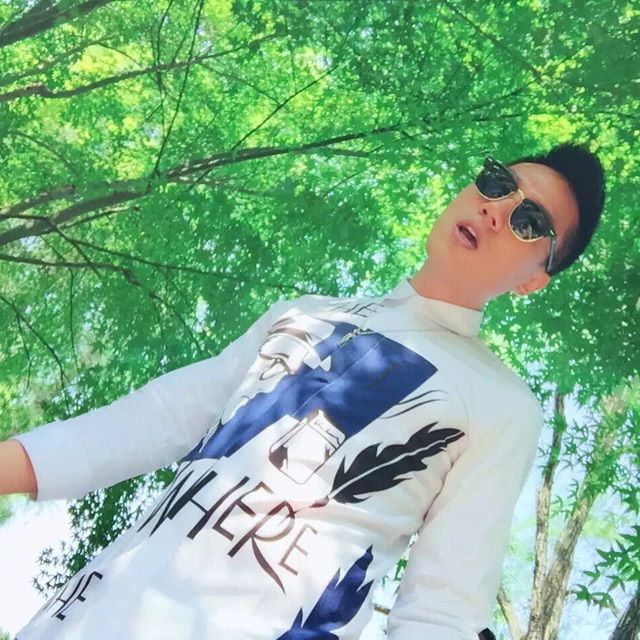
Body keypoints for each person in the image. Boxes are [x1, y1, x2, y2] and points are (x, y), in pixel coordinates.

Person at [0, 143, 605, 639]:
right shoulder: (305, 313)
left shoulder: (500, 405)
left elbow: (442, 611)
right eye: (497, 184)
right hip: (88, 612)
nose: (497, 210)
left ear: (533, 281)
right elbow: (156, 419)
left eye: (530, 222)